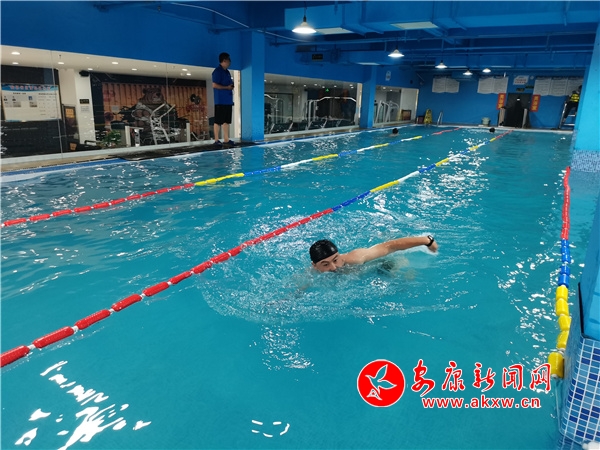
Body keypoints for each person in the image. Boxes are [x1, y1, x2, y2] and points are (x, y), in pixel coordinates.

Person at [309, 235, 438, 273]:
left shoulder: (355, 258)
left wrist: (427, 241)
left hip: (385, 263)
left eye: (335, 260)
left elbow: (390, 246)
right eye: (325, 264)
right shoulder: (311, 274)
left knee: (403, 278)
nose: (333, 267)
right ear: (314, 265)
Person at [212, 52, 235, 147]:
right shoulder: (217, 71)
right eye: (229, 60)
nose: (230, 62)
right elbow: (214, 85)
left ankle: (226, 139)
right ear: (224, 60)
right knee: (218, 121)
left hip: (228, 101)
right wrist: (227, 87)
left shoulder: (227, 72)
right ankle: (216, 140)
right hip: (220, 101)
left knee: (226, 121)